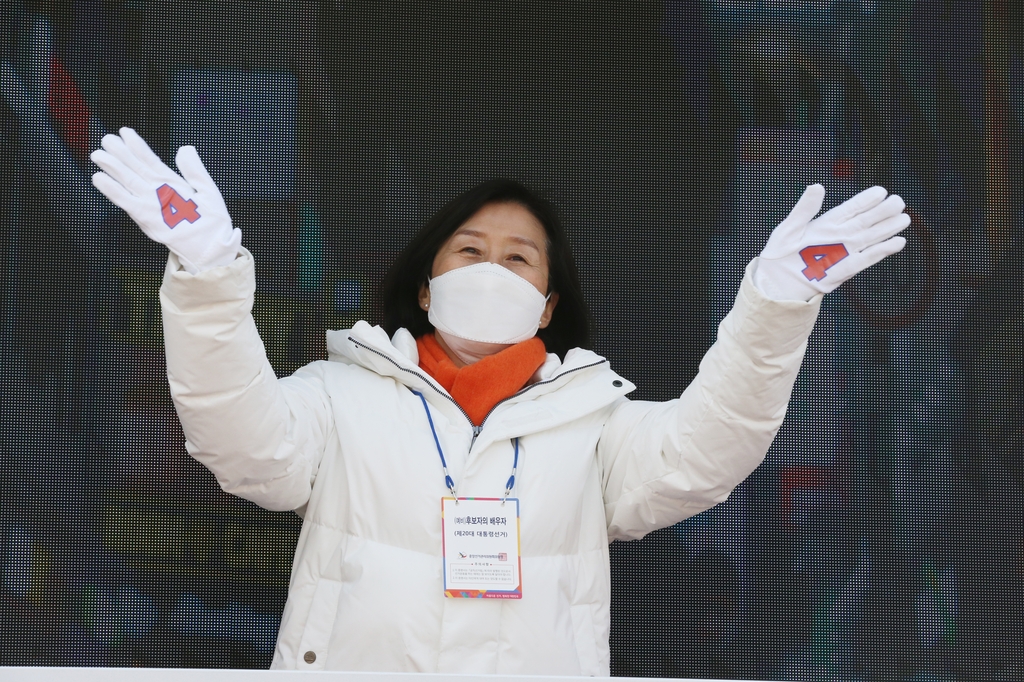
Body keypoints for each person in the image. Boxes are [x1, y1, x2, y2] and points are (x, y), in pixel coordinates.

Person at [90, 127, 909, 675]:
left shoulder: (596, 425)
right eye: (470, 250)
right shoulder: (337, 396)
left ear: (549, 305)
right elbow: (240, 442)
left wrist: (774, 305)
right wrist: (207, 275)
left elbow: (706, 453)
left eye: (519, 259)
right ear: (427, 282)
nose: (492, 269)